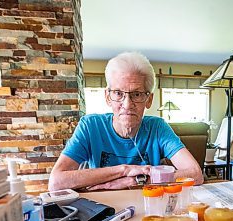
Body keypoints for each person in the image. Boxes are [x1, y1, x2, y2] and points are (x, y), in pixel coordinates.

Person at [49, 51, 203, 191]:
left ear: (148, 100)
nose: (127, 104)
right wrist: (124, 170)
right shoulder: (90, 126)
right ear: (108, 97)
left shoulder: (158, 127)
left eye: (136, 94)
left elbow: (195, 174)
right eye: (118, 93)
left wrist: (136, 181)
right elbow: (56, 182)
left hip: (148, 205)